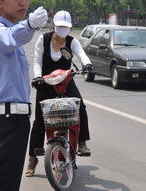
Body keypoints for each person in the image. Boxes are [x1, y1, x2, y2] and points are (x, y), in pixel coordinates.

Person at [0, 0, 48, 191]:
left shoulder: (11, 30)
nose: (23, 2)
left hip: (11, 122)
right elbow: (7, 39)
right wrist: (30, 24)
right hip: (7, 124)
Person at [25, 10, 93, 177]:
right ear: (54, 25)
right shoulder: (44, 39)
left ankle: (82, 143)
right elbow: (37, 60)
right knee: (40, 119)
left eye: (66, 27)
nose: (63, 29)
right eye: (60, 26)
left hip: (65, 81)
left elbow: (81, 54)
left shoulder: (72, 41)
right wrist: (37, 77)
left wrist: (87, 63)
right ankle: (33, 158)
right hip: (46, 82)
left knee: (80, 107)